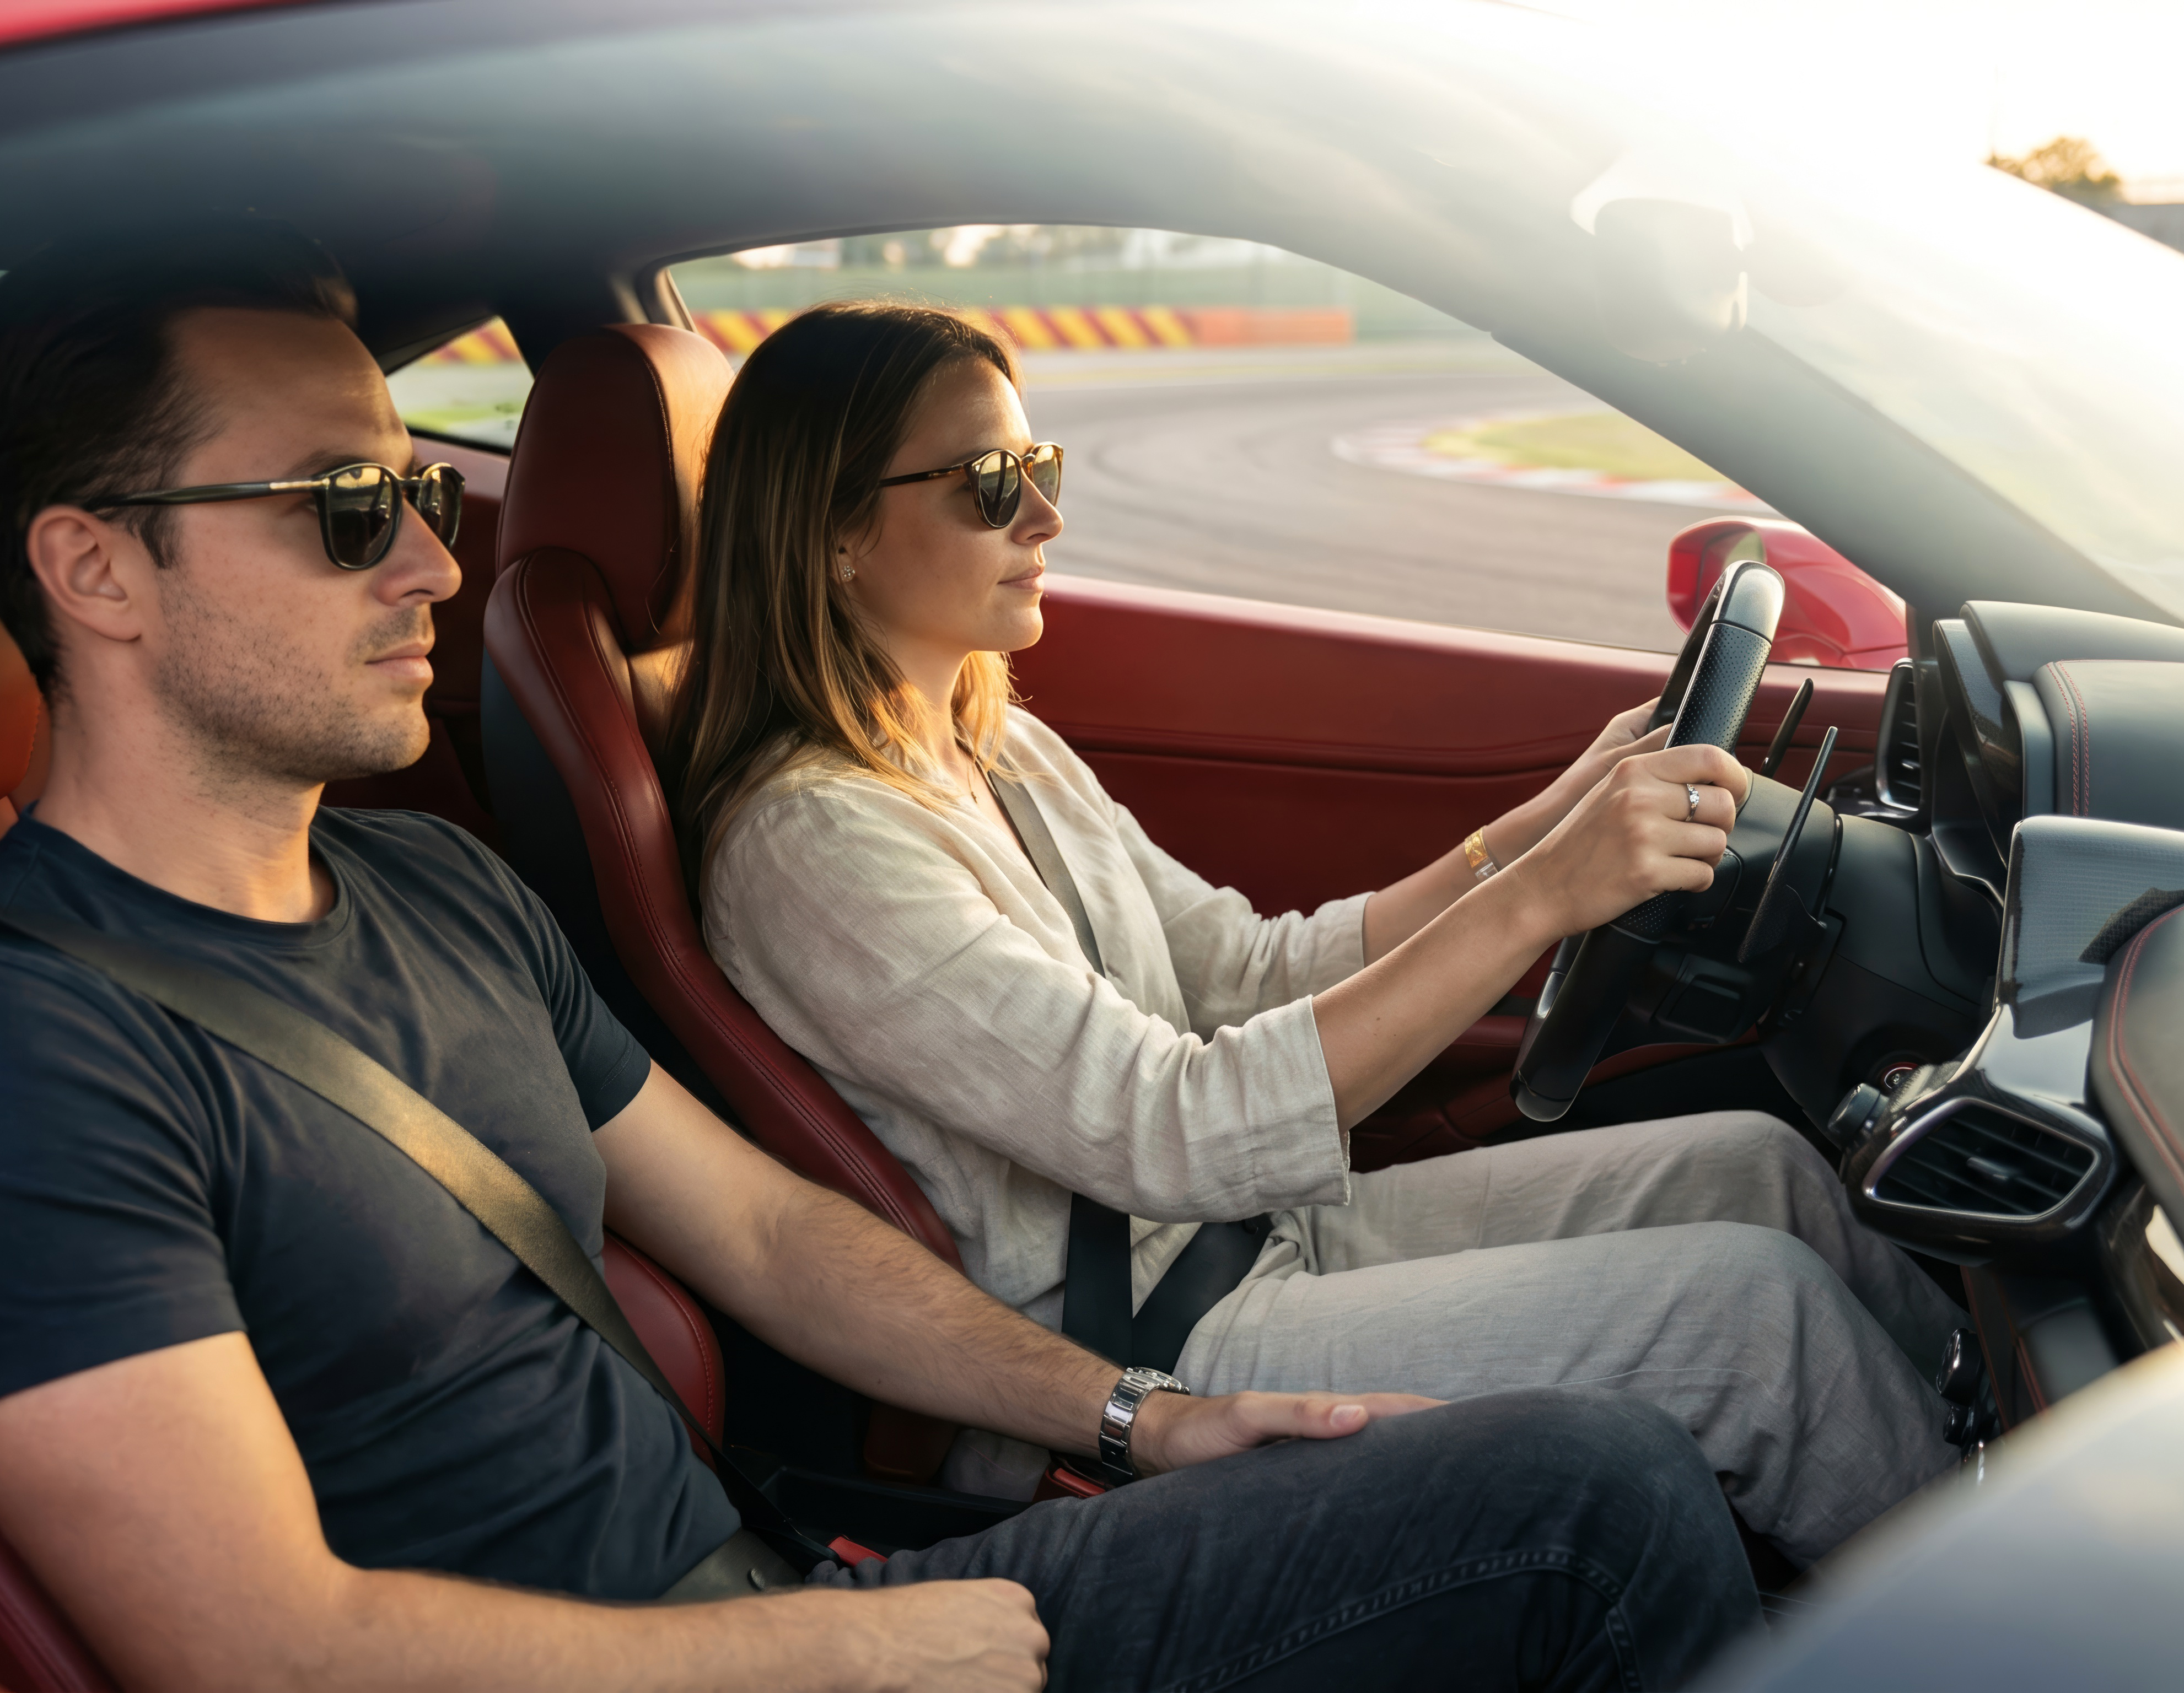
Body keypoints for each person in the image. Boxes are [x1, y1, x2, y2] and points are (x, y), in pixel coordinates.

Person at [0, 224, 1762, 1692]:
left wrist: (1129, 1419)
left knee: (1605, 1423)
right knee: (1588, 1504)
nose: (434, 561)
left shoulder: (430, 890)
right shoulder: (8, 1063)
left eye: (420, 493)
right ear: (92, 572)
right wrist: (818, 1658)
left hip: (776, 1596)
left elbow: (765, 1235)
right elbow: (262, 1646)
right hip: (754, 1658)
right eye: (349, 511)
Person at [676, 301, 1965, 1566]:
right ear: (838, 533)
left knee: (1762, 1168)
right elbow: (1168, 1129)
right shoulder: (817, 845)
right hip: (1140, 1343)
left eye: (1041, 467)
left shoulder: (993, 742)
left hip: (1254, 1241)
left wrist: (1533, 833)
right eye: (990, 483)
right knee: (1753, 1323)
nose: (1047, 516)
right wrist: (1537, 900)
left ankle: (1990, 1470)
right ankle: (2038, 1623)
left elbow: (1242, 971)